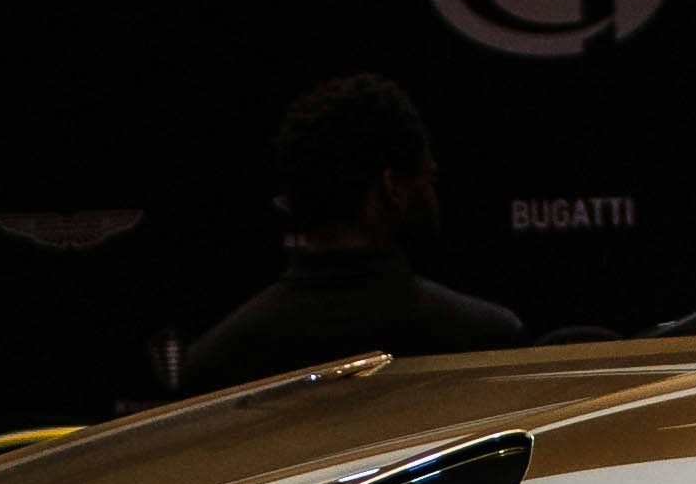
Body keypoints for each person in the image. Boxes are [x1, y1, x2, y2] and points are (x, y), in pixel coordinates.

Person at [182, 73, 526, 389]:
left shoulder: (216, 360)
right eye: (429, 178)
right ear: (391, 186)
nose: (434, 197)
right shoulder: (484, 341)